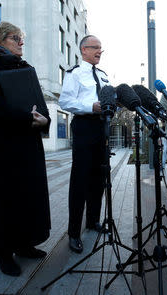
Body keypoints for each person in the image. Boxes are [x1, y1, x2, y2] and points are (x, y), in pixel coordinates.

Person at [0, 22, 51, 276]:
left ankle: (25, 244)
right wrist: (28, 118)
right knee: (5, 199)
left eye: (22, 38)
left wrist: (45, 120)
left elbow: (41, 105)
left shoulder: (26, 67)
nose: (21, 42)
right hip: (1, 147)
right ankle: (4, 253)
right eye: (15, 38)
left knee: (30, 195)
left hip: (28, 144)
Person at [59, 35, 109, 254]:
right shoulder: (74, 73)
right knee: (80, 180)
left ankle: (93, 221)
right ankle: (73, 233)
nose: (99, 51)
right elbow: (66, 101)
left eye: (101, 48)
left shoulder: (103, 75)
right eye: (95, 48)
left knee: (99, 177)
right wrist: (92, 106)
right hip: (84, 127)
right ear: (84, 50)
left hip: (102, 129)